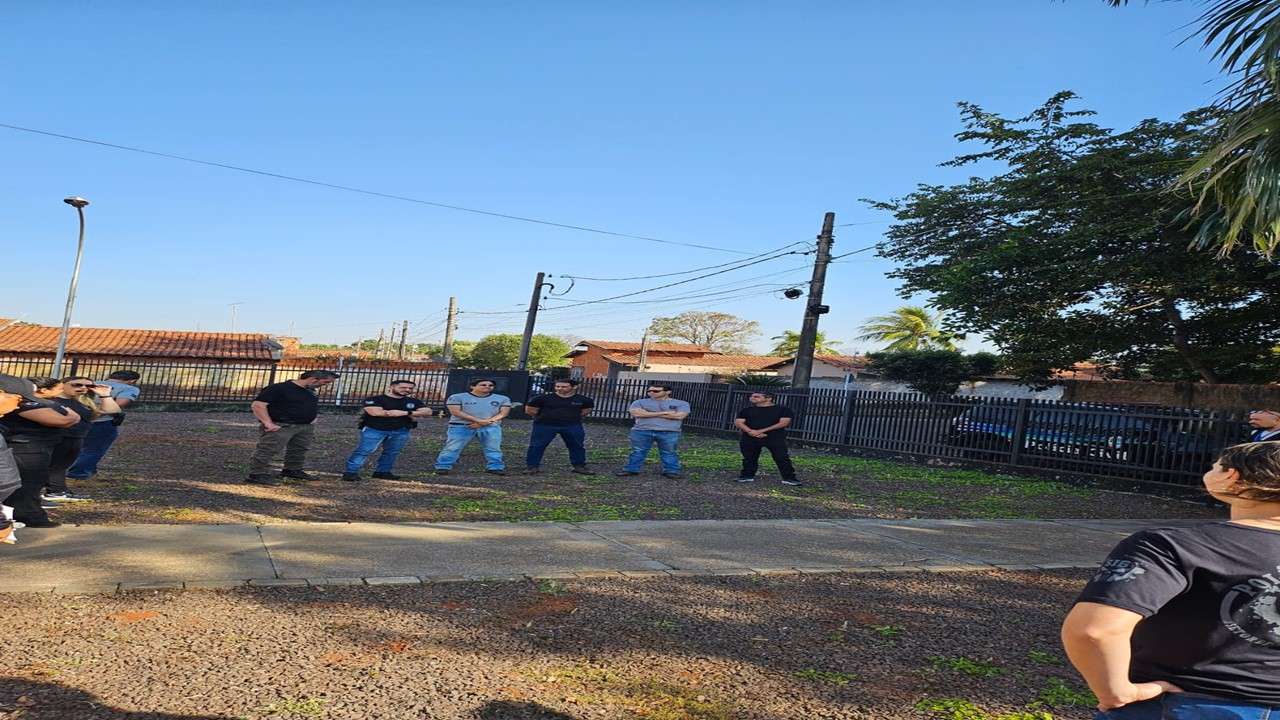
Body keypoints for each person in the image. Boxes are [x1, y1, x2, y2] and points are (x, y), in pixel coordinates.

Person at [1061, 440, 1280, 717]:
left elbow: (1094, 630)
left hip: (1185, 703)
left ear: (1232, 477)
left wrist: (1115, 691)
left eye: (1215, 466)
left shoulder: (1174, 545)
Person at [0, 377, 77, 528]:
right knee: (20, 483)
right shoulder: (23, 408)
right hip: (26, 448)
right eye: (17, 398)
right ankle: (26, 515)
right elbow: (62, 420)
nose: (17, 403)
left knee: (16, 483)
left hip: (35, 447)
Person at [247, 370, 340, 485]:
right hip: (282, 425)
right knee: (268, 449)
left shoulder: (310, 391)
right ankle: (257, 474)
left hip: (305, 426)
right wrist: (268, 423)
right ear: (313, 379)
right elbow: (258, 405)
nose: (325, 385)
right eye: (325, 382)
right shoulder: (279, 388)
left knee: (299, 449)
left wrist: (312, 418)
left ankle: (292, 470)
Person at [45, 376, 120, 501]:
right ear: (62, 384)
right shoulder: (52, 401)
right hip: (58, 437)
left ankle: (58, 490)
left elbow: (113, 410)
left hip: (77, 437)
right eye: (77, 384)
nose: (83, 388)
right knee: (55, 465)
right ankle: (55, 491)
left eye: (89, 386)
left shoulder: (83, 402)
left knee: (63, 465)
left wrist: (105, 395)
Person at [341, 379, 433, 481]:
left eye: (410, 388)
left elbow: (428, 412)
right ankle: (350, 472)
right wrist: (395, 413)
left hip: (400, 430)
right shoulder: (375, 399)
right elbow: (374, 412)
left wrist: (406, 413)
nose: (407, 390)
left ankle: (382, 472)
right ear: (392, 387)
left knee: (392, 452)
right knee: (364, 451)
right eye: (403, 387)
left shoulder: (413, 401)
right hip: (375, 429)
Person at [67, 370, 141, 481]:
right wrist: (98, 412)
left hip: (77, 419)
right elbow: (119, 404)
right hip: (102, 421)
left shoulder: (91, 383)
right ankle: (78, 474)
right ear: (132, 381)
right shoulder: (129, 388)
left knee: (77, 446)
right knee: (94, 449)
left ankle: (88, 470)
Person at [435, 378, 511, 475]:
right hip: (462, 426)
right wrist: (479, 421)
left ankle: (495, 467)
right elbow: (456, 412)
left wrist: (485, 422)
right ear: (472, 386)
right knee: (453, 447)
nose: (487, 387)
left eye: (490, 385)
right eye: (483, 385)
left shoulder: (503, 399)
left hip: (490, 426)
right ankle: (443, 466)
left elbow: (503, 413)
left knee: (493, 448)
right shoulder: (457, 397)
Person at [616, 384, 690, 479]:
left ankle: (672, 471)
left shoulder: (681, 403)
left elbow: (679, 416)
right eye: (649, 391)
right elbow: (636, 413)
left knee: (669, 452)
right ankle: (631, 469)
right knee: (638, 451)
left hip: (669, 431)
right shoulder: (639, 402)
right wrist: (664, 413)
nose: (651, 393)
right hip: (642, 430)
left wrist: (647, 413)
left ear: (668, 392)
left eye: (656, 391)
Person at [524, 378, 595, 474]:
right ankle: (532, 467)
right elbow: (530, 410)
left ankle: (579, 466)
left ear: (574, 387)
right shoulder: (541, 398)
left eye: (564, 387)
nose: (560, 388)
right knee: (537, 445)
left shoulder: (584, 400)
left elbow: (586, 411)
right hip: (544, 425)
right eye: (557, 386)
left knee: (577, 445)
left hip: (572, 425)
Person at [733, 391, 800, 486]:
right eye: (752, 396)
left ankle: (789, 478)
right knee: (749, 457)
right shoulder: (746, 410)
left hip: (774, 437)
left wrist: (760, 431)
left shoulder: (783, 409)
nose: (752, 398)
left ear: (769, 398)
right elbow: (739, 422)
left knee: (781, 457)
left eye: (756, 396)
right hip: (750, 437)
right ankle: (747, 476)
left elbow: (784, 423)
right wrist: (750, 431)